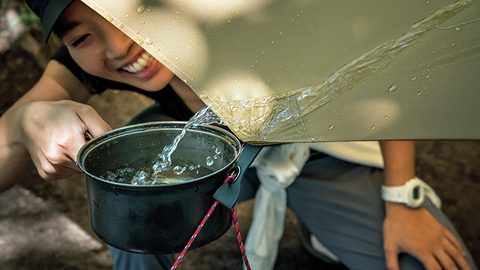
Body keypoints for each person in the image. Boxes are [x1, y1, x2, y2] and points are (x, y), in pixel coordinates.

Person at [0, 1, 476, 269]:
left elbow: (382, 74)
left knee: (420, 261)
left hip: (320, 150)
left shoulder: (253, 13)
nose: (119, 45)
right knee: (130, 207)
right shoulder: (93, 60)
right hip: (200, 158)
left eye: (133, 8)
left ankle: (325, 225)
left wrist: (402, 197)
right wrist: (27, 122)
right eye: (81, 37)